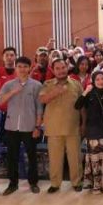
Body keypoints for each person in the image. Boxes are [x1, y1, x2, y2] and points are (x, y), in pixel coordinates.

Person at [0, 57, 43, 195]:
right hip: (11, 126)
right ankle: (13, 184)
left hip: (29, 127)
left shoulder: (36, 85)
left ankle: (33, 183)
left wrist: (37, 127)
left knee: (32, 156)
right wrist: (12, 92)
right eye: (19, 66)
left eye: (25, 66)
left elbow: (39, 108)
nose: (22, 69)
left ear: (29, 68)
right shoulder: (8, 85)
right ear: (15, 68)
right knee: (12, 156)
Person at [39, 59, 84, 193]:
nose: (61, 71)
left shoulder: (76, 84)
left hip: (73, 127)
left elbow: (82, 105)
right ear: (53, 70)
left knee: (75, 158)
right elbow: (42, 99)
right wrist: (56, 92)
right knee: (55, 159)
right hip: (54, 128)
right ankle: (55, 183)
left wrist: (84, 123)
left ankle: (76, 182)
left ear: (67, 67)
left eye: (63, 67)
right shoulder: (47, 84)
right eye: (57, 68)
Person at [76, 72, 103, 194]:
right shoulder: (90, 94)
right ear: (93, 82)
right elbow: (77, 105)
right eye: (98, 79)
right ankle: (96, 186)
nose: (101, 81)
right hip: (93, 132)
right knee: (95, 161)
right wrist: (85, 91)